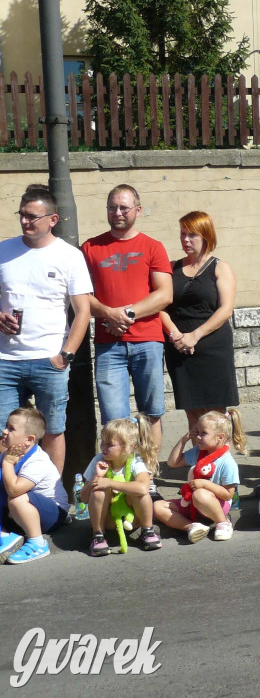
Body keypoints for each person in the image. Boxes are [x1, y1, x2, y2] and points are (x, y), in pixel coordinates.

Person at [0, 187, 92, 473]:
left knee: (53, 430)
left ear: (53, 219)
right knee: (5, 433)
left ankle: (53, 498)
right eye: (22, 215)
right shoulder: (4, 250)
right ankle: (9, 500)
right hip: (6, 360)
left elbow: (83, 311)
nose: (25, 222)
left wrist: (65, 356)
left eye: (32, 216)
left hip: (49, 359)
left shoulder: (69, 256)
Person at [82, 185, 173, 454]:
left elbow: (165, 294)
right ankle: (120, 475)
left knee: (151, 413)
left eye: (124, 207)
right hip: (108, 345)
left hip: (148, 341)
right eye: (112, 207)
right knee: (113, 419)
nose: (118, 212)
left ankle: (150, 474)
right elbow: (80, 295)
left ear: (138, 210)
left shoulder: (152, 246)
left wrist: (127, 314)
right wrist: (109, 313)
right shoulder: (90, 248)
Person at [160, 211, 238, 434]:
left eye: (192, 235)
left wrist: (195, 335)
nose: (185, 240)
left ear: (206, 235)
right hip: (180, 348)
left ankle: (218, 465)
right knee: (192, 412)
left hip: (213, 347)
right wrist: (176, 335)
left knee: (215, 416)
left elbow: (226, 310)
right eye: (182, 234)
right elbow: (161, 306)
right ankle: (198, 465)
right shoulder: (171, 267)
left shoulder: (220, 267)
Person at [153, 410, 246, 543]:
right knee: (158, 506)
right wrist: (183, 441)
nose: (198, 437)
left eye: (203, 434)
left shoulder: (227, 462)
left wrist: (204, 484)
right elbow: (173, 462)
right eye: (197, 433)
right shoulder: (198, 452)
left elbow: (228, 494)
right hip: (192, 504)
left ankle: (223, 523)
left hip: (216, 506)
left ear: (220, 437)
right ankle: (192, 527)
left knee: (200, 494)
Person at [80, 415, 162, 557]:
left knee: (139, 492)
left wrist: (110, 482)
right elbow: (84, 498)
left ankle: (147, 530)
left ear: (128, 447)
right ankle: (98, 535)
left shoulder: (135, 461)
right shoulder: (98, 460)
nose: (104, 448)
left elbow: (143, 487)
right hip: (109, 520)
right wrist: (97, 478)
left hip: (133, 519)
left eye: (110, 445)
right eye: (102, 443)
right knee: (99, 491)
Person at [0, 407, 69, 564]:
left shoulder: (38, 461)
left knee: (16, 498)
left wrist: (7, 464)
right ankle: (4, 535)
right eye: (6, 426)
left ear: (29, 440)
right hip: (20, 514)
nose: (4, 431)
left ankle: (38, 544)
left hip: (53, 514)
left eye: (11, 429)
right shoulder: (8, 454)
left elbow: (14, 490)